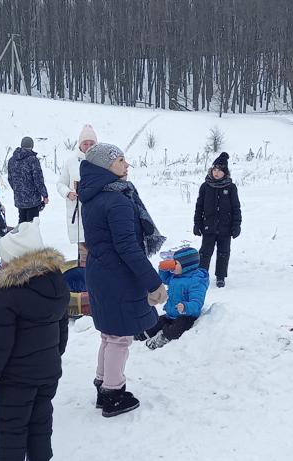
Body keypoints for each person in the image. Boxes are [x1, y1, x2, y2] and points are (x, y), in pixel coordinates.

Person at [78, 143, 168, 417]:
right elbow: (128, 247)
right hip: (116, 275)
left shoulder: (93, 196)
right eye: (120, 160)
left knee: (109, 334)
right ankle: (113, 393)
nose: (126, 165)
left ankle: (103, 383)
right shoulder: (116, 200)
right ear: (105, 167)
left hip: (100, 271)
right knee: (119, 338)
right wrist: (154, 283)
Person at [0, 218, 69, 461]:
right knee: (41, 424)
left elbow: (0, 341)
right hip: (48, 371)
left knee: (12, 429)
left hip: (16, 378)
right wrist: (54, 356)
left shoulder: (7, 293)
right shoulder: (57, 282)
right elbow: (62, 326)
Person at [136, 247, 208, 349]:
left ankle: (163, 338)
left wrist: (185, 307)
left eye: (176, 263)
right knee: (157, 322)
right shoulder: (176, 276)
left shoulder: (196, 280)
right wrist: (163, 269)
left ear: (186, 266)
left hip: (186, 316)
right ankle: (142, 334)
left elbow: (197, 302)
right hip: (171, 314)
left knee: (176, 329)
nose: (173, 266)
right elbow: (163, 279)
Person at [193, 152, 242, 288]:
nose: (216, 172)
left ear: (225, 172)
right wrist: (197, 224)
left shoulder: (230, 187)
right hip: (208, 227)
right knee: (205, 252)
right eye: (214, 169)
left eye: (219, 170)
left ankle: (220, 277)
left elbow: (236, 208)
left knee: (223, 252)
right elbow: (199, 207)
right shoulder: (205, 186)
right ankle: (202, 275)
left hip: (225, 228)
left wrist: (236, 225)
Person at [57, 125, 97, 263]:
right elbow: (60, 184)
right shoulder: (71, 162)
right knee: (84, 251)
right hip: (78, 212)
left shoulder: (101, 162)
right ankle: (84, 278)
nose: (88, 146)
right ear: (80, 144)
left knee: (98, 250)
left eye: (92, 143)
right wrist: (68, 193)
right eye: (85, 143)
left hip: (96, 211)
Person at [7, 136, 49, 223]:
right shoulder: (33, 159)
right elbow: (38, 179)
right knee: (32, 225)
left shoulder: (11, 160)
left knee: (22, 223)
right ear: (32, 146)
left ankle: (20, 236)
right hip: (32, 200)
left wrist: (18, 190)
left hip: (19, 199)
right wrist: (45, 195)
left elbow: (10, 179)